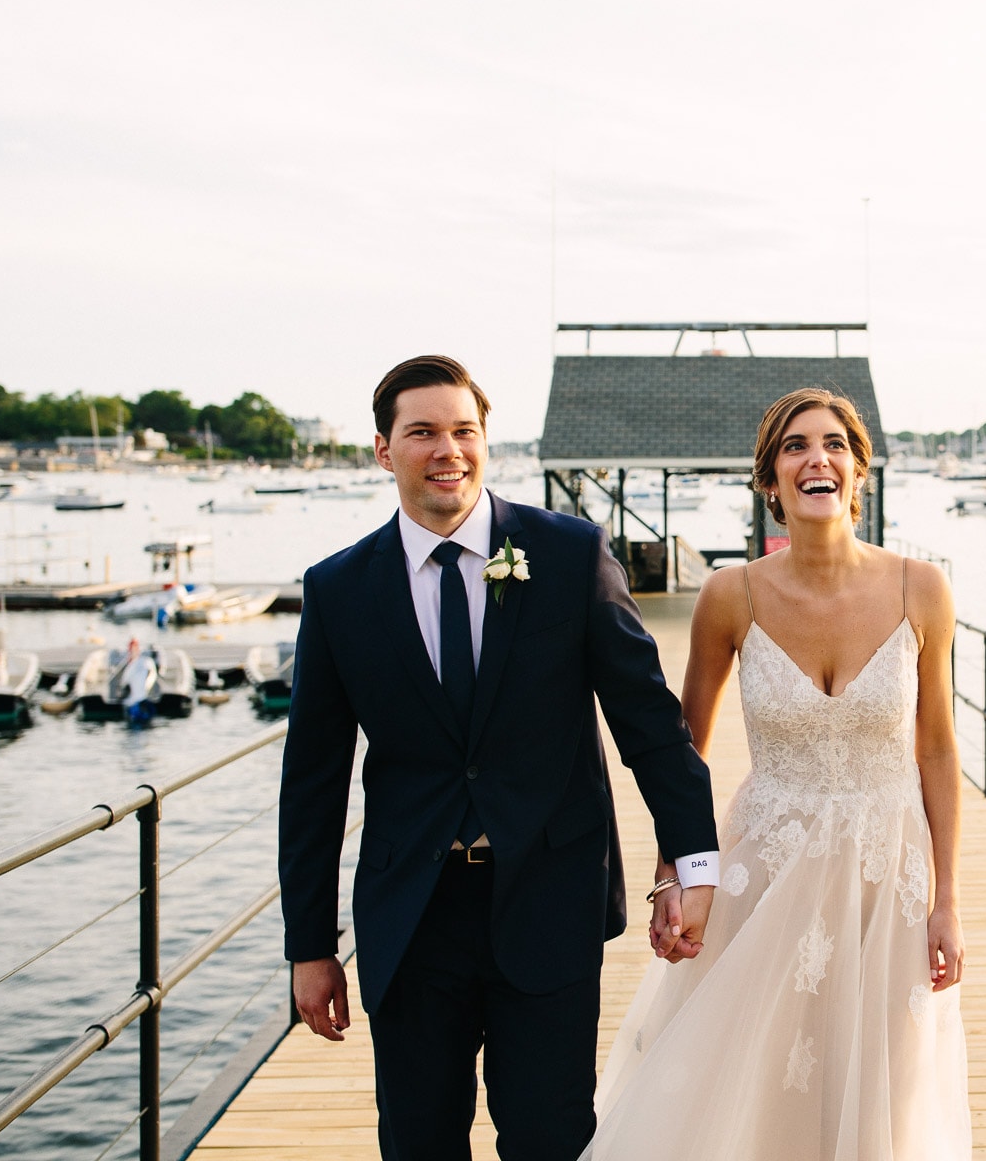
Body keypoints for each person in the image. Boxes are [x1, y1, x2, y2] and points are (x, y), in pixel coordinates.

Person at [278, 355, 721, 1161]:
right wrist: (310, 945)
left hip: (548, 901)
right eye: (422, 432)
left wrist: (693, 865)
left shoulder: (570, 555)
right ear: (384, 450)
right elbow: (312, 779)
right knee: (418, 1142)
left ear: (485, 442)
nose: (447, 450)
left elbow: (651, 729)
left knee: (550, 1139)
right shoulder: (339, 589)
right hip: (410, 915)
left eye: (463, 431)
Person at [578, 388, 972, 1158]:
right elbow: (682, 748)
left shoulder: (920, 588)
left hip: (886, 872)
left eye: (833, 445)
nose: (815, 457)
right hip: (762, 867)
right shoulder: (733, 594)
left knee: (884, 1082)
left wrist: (948, 901)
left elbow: (937, 750)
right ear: (771, 481)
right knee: (754, 1079)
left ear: (860, 472)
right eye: (794, 446)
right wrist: (674, 875)